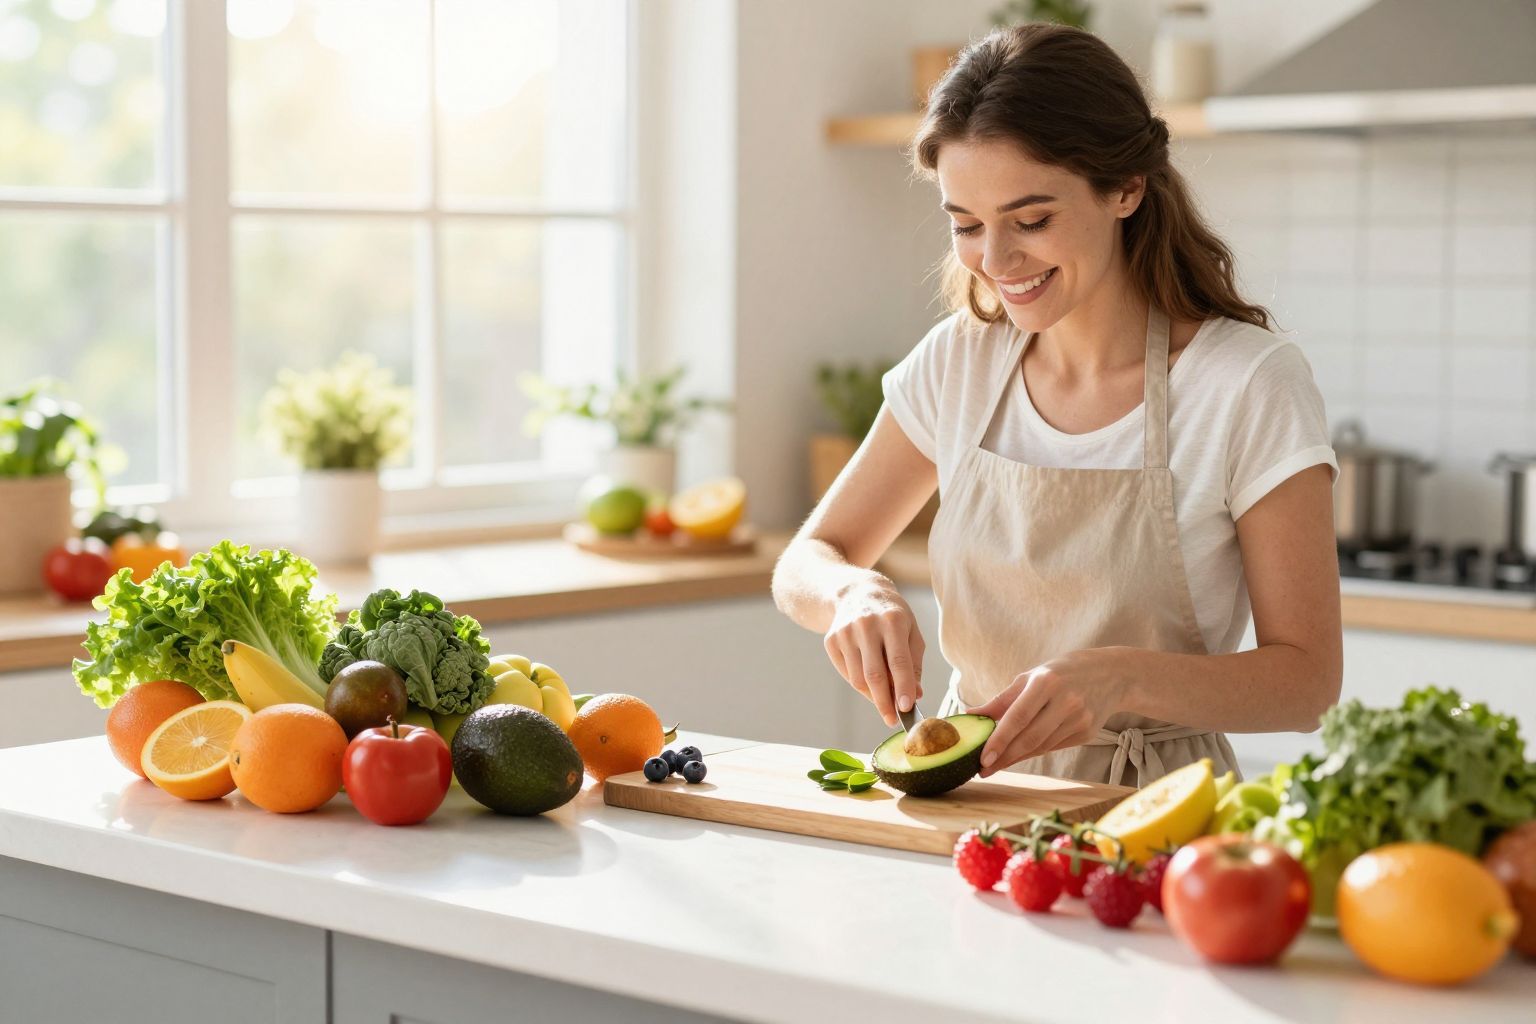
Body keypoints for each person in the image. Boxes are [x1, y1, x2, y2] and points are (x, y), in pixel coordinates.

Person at [770, 24, 1342, 788]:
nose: (996, 262)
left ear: (1126, 189)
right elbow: (807, 559)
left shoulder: (1246, 383)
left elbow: (1306, 683)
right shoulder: (959, 361)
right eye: (966, 225)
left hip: (1158, 817)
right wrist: (849, 593)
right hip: (972, 800)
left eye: (1031, 221)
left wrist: (1122, 679)